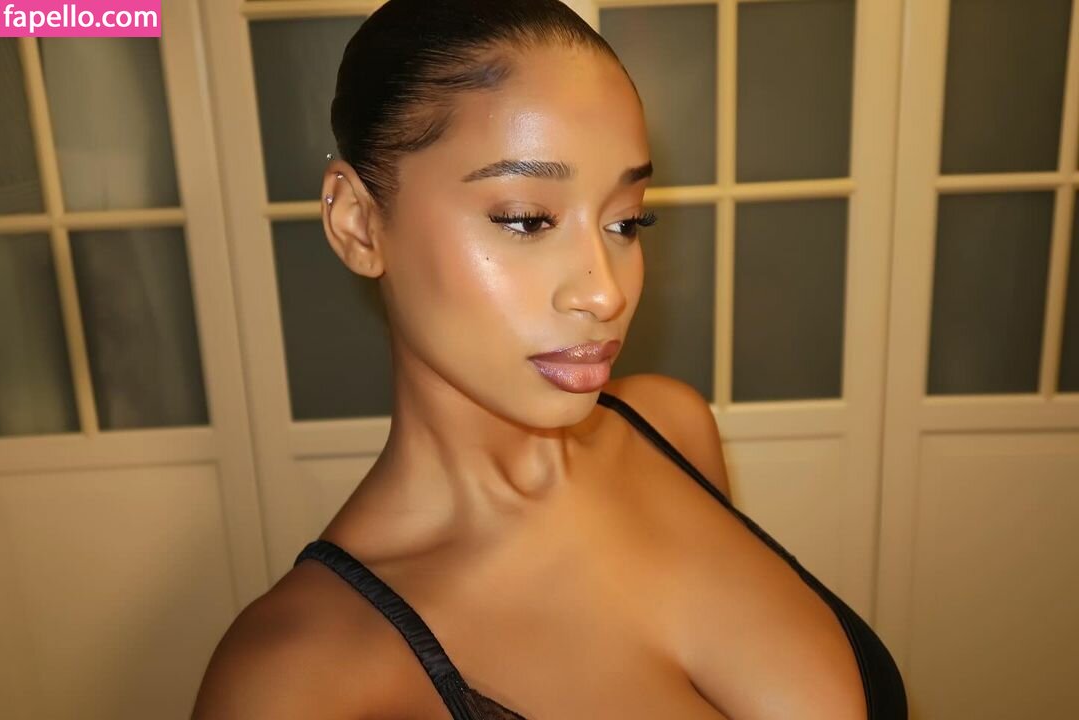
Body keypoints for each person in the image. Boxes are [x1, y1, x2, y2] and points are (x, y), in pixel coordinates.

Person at [191, 1, 907, 718]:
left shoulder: (672, 426)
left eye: (626, 221)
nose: (604, 292)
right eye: (526, 220)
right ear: (357, 223)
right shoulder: (294, 681)